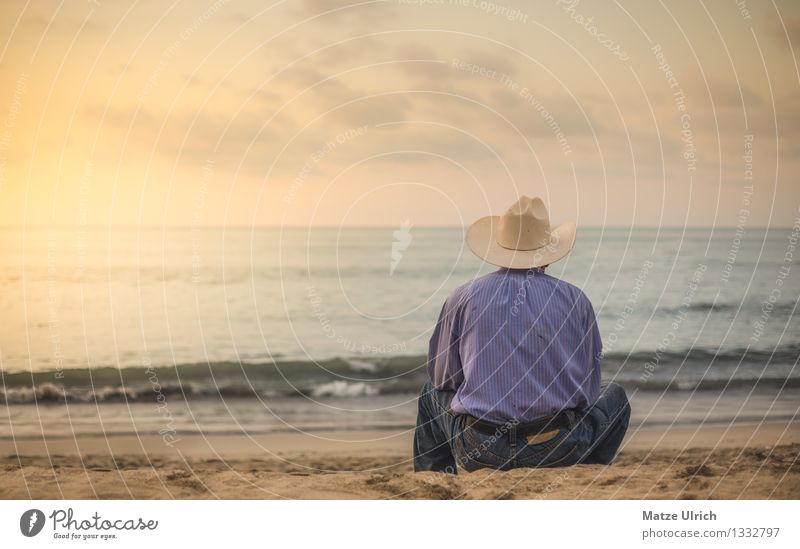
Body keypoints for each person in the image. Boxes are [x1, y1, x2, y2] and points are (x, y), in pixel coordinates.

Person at [413, 195, 630, 473]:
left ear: (499, 249)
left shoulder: (463, 296)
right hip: (558, 447)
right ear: (549, 254)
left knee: (430, 393)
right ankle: (586, 470)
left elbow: (443, 378)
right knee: (615, 396)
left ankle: (435, 481)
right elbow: (586, 392)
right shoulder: (576, 299)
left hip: (479, 450)